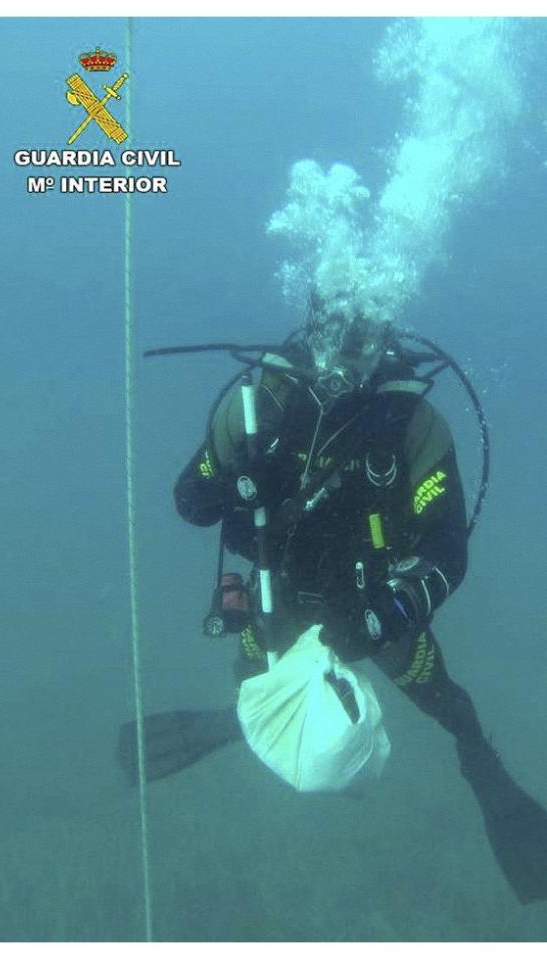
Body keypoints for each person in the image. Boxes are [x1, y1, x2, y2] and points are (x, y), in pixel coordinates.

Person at [122, 291, 547, 904]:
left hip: (373, 607)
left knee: (448, 706)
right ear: (313, 322)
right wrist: (240, 477)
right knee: (259, 687)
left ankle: (482, 765)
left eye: (364, 335)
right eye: (337, 330)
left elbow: (446, 554)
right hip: (281, 595)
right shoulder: (258, 404)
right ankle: (254, 724)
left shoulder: (413, 426)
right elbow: (192, 503)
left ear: (384, 337)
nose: (348, 351)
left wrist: (385, 614)